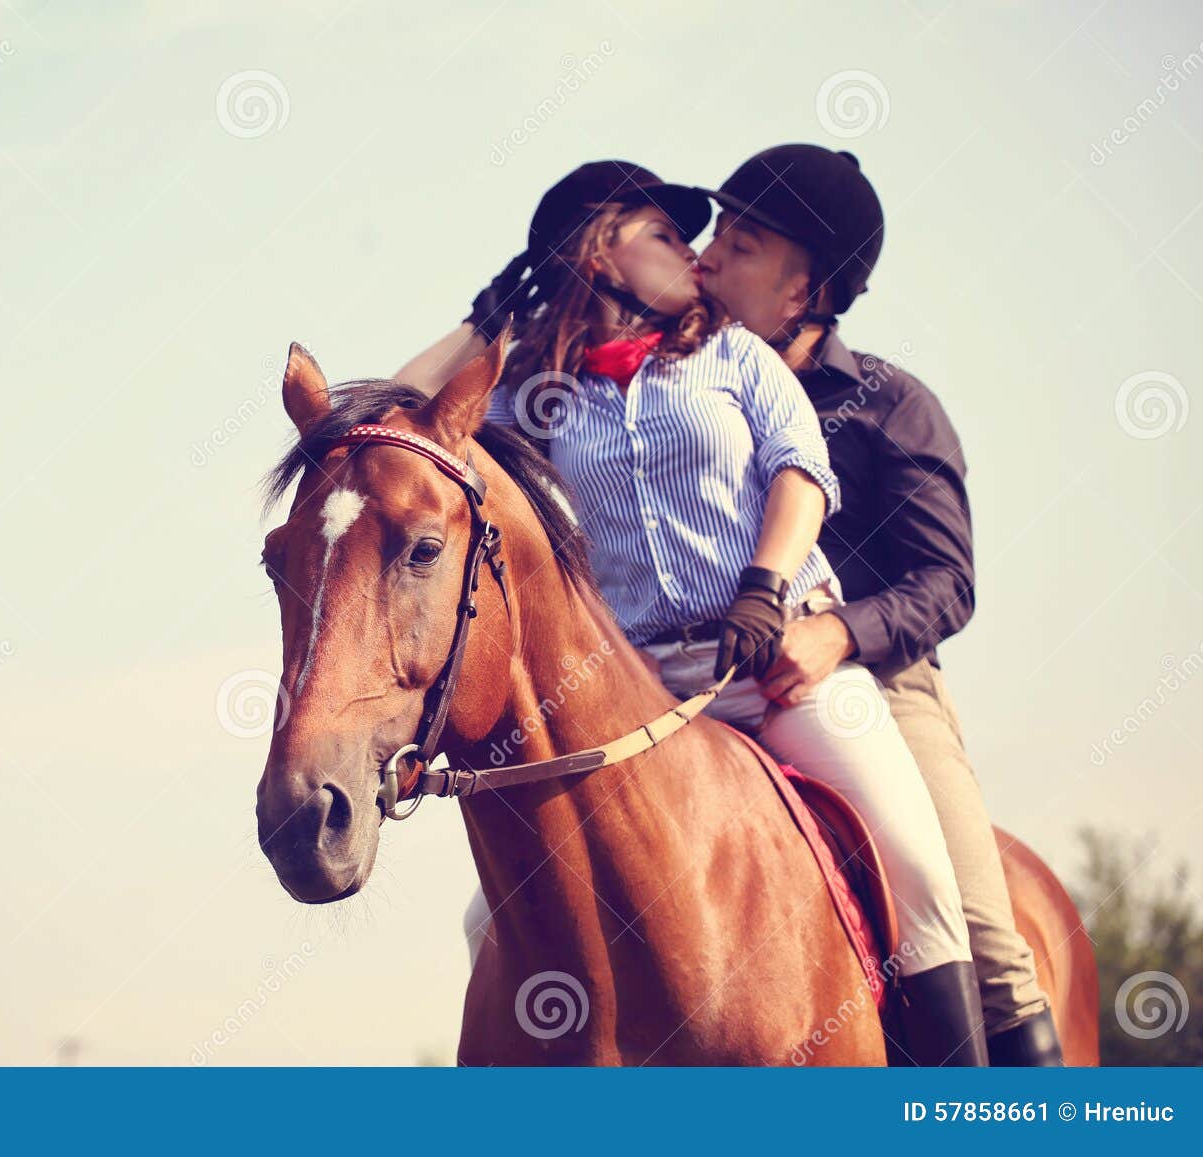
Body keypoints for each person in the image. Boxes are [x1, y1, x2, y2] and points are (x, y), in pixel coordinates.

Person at [399, 161, 987, 1066]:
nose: (697, 257)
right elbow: (403, 428)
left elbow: (802, 469)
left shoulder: (734, 355)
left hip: (776, 668)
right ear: (599, 252)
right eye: (667, 235)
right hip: (638, 695)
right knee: (490, 920)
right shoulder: (531, 397)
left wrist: (765, 584)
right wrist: (488, 323)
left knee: (916, 867)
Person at [691, 145, 1062, 1067]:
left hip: (880, 682)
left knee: (982, 932)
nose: (705, 258)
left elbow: (948, 584)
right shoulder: (680, 392)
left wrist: (836, 631)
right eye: (711, 235)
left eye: (740, 245)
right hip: (705, 675)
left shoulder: (891, 405)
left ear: (805, 292)